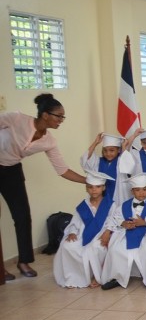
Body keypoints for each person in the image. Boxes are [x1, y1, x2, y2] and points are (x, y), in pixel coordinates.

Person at [0, 93, 85, 279]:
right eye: (59, 116)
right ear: (45, 115)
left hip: (12, 171)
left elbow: (63, 170)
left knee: (22, 216)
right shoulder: (16, 118)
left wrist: (88, 181)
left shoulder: (49, 141)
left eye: (63, 117)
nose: (61, 120)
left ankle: (24, 261)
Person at [53, 170, 115, 288]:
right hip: (83, 234)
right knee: (68, 246)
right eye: (90, 187)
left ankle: (97, 276)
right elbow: (75, 222)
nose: (94, 190)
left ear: (103, 188)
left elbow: (114, 220)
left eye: (98, 187)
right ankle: (75, 277)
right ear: (86, 188)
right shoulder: (83, 206)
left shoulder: (111, 204)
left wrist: (108, 232)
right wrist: (72, 232)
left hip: (101, 235)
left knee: (95, 248)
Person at [100, 173, 146, 290]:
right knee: (116, 249)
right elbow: (115, 218)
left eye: (144, 189)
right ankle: (117, 278)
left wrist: (145, 222)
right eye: (137, 190)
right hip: (127, 233)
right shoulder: (123, 206)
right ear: (132, 191)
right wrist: (123, 223)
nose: (141, 193)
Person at [80, 133, 129, 203]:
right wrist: (95, 143)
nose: (108, 153)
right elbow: (85, 159)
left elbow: (127, 163)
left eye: (112, 150)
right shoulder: (97, 161)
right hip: (99, 200)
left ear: (118, 150)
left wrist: (123, 147)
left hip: (118, 199)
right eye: (105, 150)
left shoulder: (120, 162)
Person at [119, 128, 146, 202]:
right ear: (143, 144)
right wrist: (134, 135)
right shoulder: (137, 156)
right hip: (140, 193)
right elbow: (125, 150)